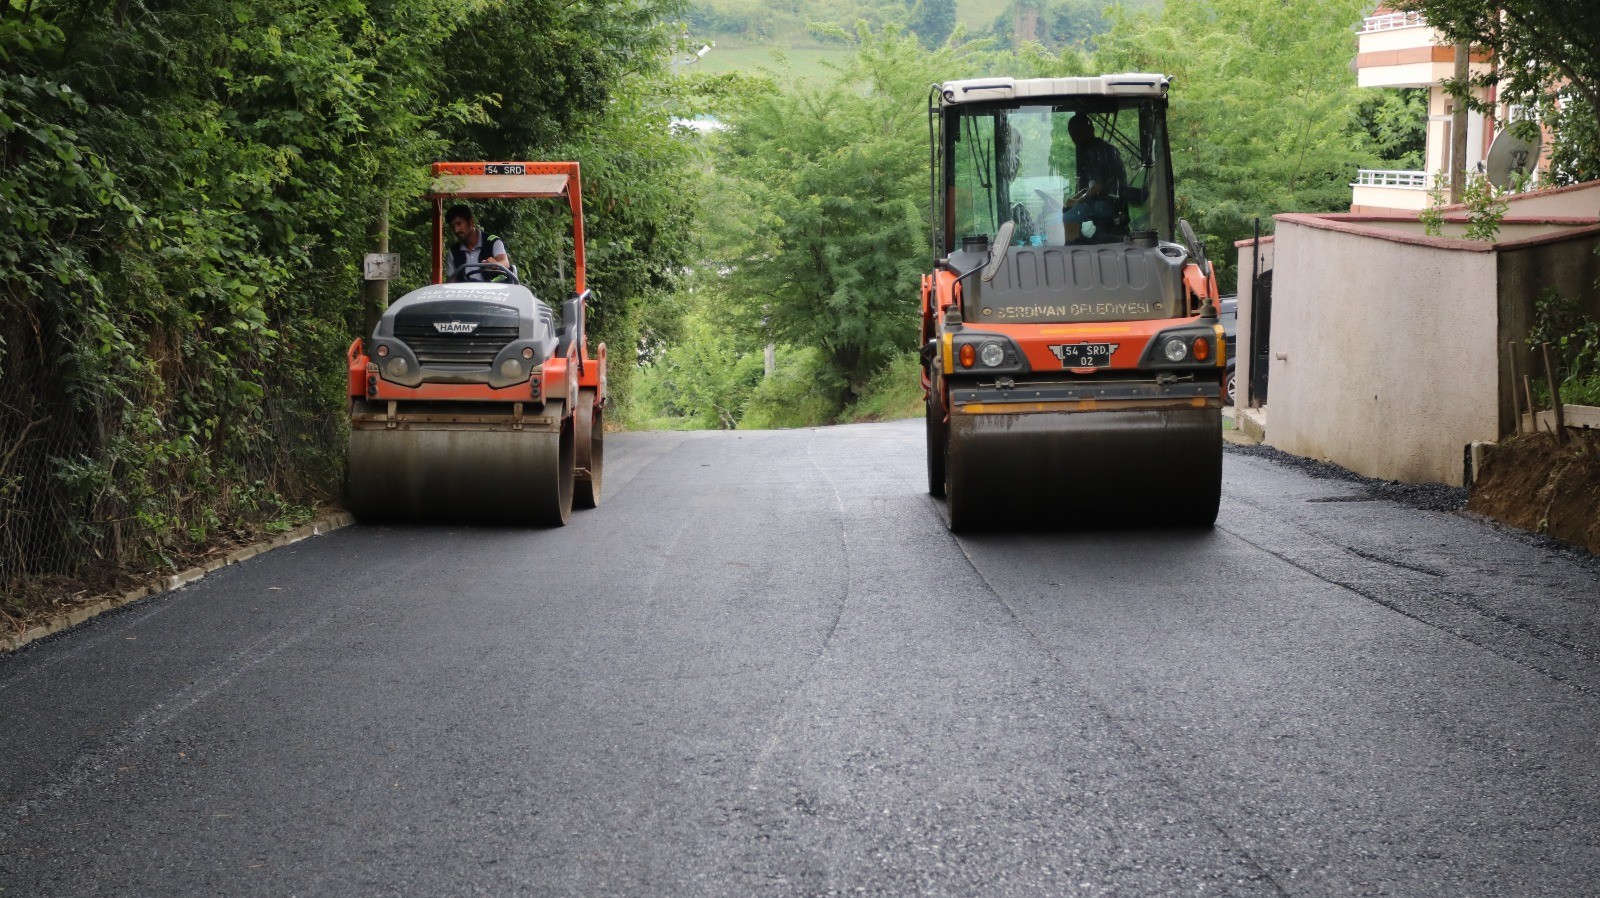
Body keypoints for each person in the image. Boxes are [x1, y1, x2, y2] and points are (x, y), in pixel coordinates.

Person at [1059, 114, 1127, 242]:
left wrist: (1078, 202)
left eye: (1079, 133)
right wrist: (1074, 199)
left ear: (1090, 130)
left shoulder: (1100, 151)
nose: (1076, 139)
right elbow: (1088, 187)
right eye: (1073, 135)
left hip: (1111, 205)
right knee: (1065, 211)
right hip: (1099, 202)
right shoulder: (1089, 151)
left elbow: (1098, 188)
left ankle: (1070, 251)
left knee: (1064, 220)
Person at [444, 204, 511, 282]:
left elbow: (505, 263)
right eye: (452, 226)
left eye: (459, 224)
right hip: (464, 293)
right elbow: (451, 283)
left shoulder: (493, 242)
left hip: (492, 292)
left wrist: (496, 264)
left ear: (471, 222)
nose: (456, 230)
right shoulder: (453, 251)